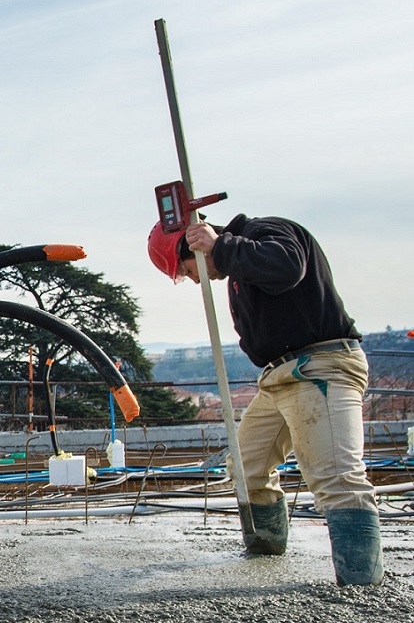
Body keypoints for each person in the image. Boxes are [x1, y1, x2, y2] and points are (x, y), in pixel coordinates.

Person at [147, 213, 383, 585]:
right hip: (280, 377)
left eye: (186, 270)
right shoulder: (238, 265)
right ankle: (265, 554)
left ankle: (361, 587)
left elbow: (288, 265)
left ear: (193, 243)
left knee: (337, 479)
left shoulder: (262, 232)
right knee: (247, 468)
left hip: (319, 368)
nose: (193, 280)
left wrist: (220, 247)